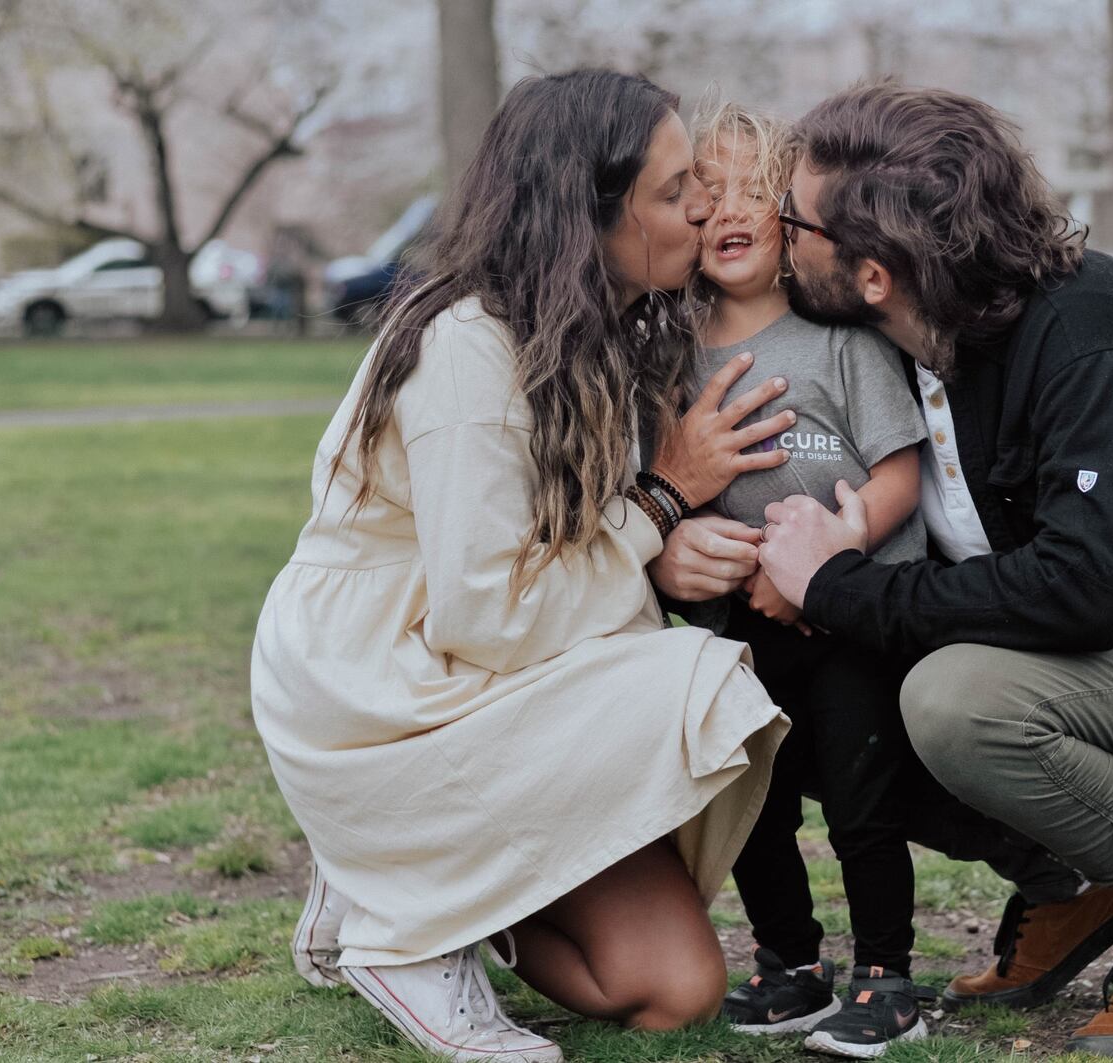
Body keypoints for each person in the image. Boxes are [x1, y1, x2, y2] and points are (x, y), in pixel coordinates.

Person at [752, 82, 1113, 1061]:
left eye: (794, 222)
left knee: (954, 702)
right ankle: (1072, 886)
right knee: (817, 706)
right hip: (1103, 642)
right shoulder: (892, 334)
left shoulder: (1088, 334)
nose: (782, 240)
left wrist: (838, 588)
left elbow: (1083, 587)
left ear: (870, 273)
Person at [251, 70, 796, 1063]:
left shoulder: (604, 329)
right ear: (592, 215)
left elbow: (581, 554)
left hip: (490, 675)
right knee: (700, 685)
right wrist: (662, 502)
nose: (705, 209)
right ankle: (401, 931)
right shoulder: (466, 349)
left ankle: (412, 876)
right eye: (676, 192)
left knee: (674, 987)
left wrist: (667, 539)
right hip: (387, 684)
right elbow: (487, 615)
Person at [681, 101, 929, 1058]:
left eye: (756, 189)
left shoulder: (840, 340)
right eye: (709, 194)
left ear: (791, 215)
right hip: (739, 627)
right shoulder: (670, 359)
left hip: (847, 616)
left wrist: (835, 546)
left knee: (864, 801)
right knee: (756, 802)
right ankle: (790, 966)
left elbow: (901, 469)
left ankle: (886, 974)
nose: (731, 209)